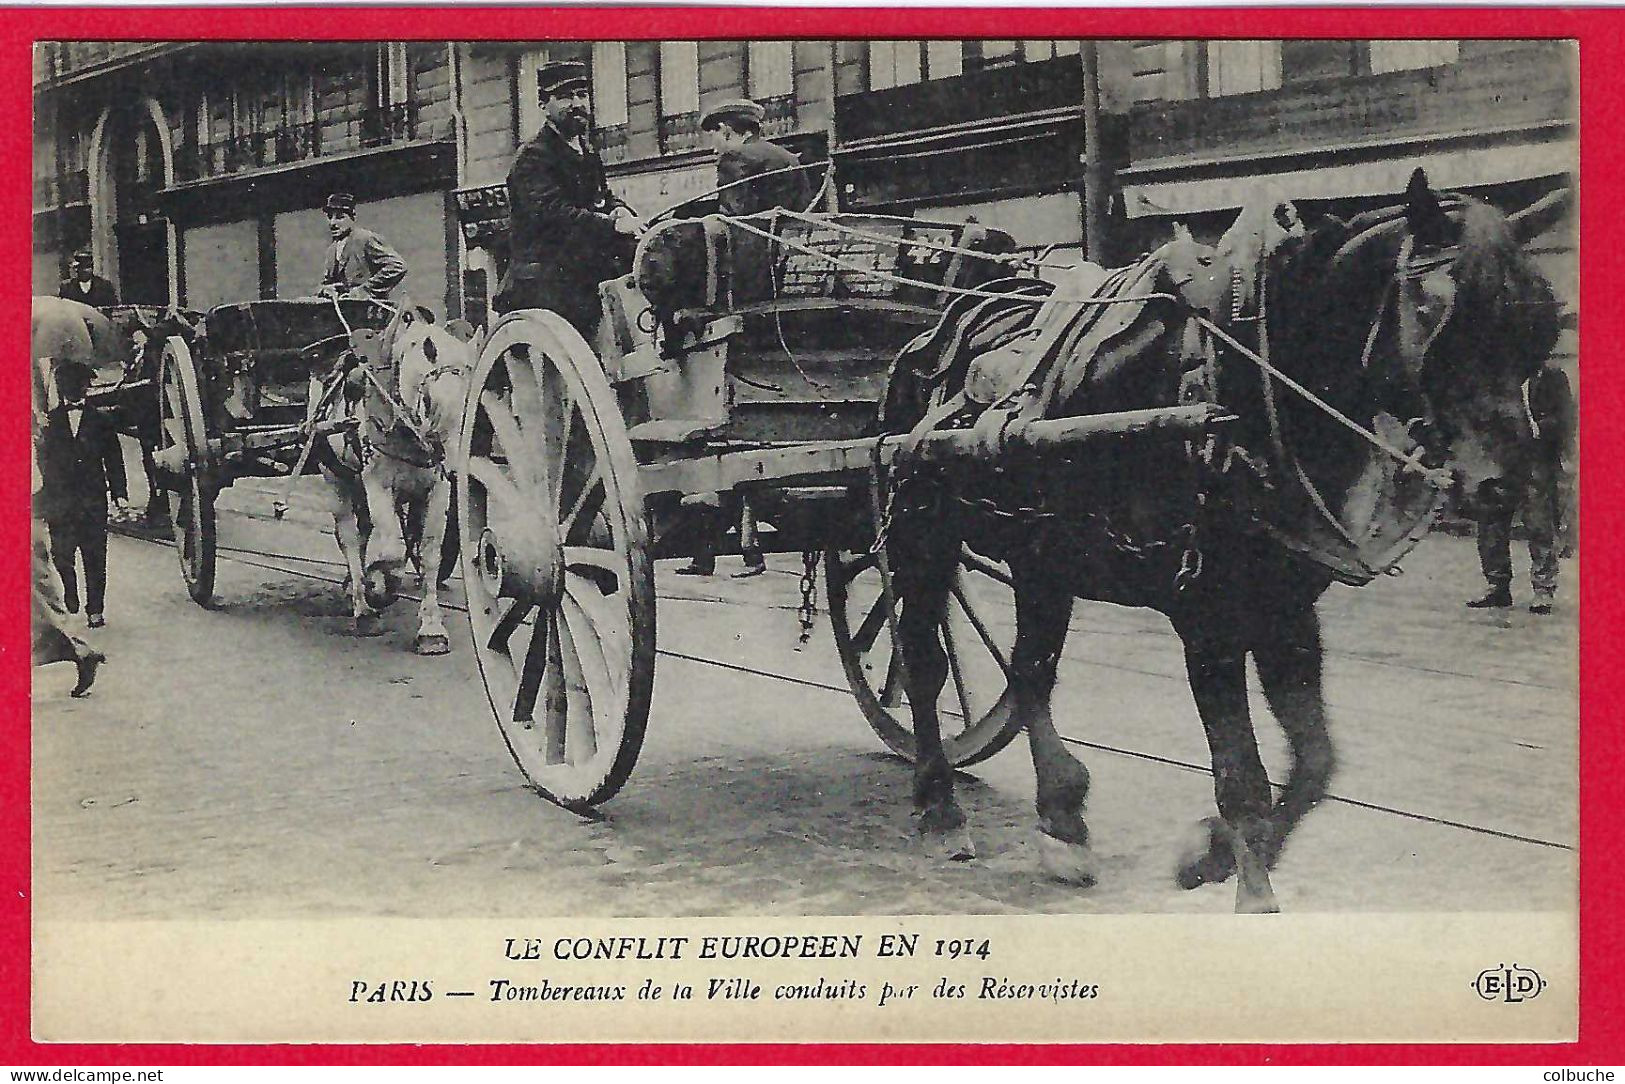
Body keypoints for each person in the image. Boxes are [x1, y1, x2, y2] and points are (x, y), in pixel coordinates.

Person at [672, 99, 810, 578]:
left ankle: (707, 550)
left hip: (752, 289)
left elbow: (734, 228)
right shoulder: (789, 160)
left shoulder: (736, 163)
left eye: (715, 135)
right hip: (791, 284)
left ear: (731, 133)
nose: (713, 145)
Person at [494, 59, 642, 339]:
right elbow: (552, 213)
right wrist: (609, 225)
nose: (576, 103)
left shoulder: (587, 150)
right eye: (564, 97)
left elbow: (603, 197)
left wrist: (620, 211)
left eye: (582, 95)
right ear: (543, 105)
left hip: (588, 269)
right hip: (547, 279)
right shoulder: (533, 157)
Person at [1466, 359, 1576, 615]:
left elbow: (1567, 418)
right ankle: (1497, 586)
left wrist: (1536, 429)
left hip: (1536, 458)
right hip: (1500, 458)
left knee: (1539, 523)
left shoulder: (1551, 375)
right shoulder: (1495, 376)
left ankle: (1543, 589)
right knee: (1490, 522)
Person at [35, 358, 127, 630]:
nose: (74, 392)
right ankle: (71, 590)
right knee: (62, 555)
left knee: (95, 556)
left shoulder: (101, 421)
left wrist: (119, 493)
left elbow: (114, 458)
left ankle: (95, 610)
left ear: (86, 389)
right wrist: (39, 445)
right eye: (68, 388)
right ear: (62, 391)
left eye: (78, 387)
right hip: (60, 502)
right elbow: (42, 464)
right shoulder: (50, 424)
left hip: (92, 500)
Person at [318, 193, 408, 301]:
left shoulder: (365, 239)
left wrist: (365, 290)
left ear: (353, 217)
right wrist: (326, 289)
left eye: (340, 217)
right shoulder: (332, 249)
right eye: (329, 217)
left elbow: (398, 266)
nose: (332, 223)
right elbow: (327, 281)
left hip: (372, 310)